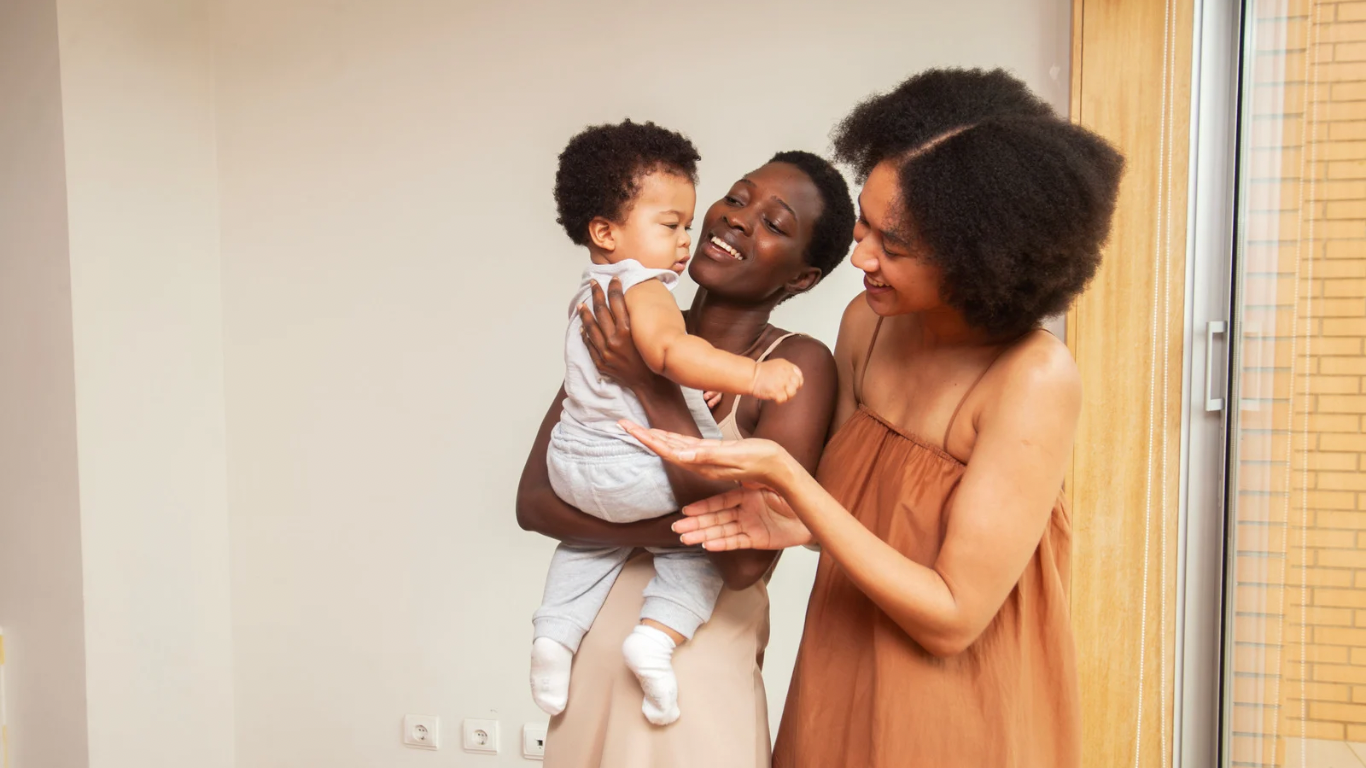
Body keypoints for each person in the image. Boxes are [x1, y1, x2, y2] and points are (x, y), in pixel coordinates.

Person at [628, 68, 1124, 768]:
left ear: (979, 257)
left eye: (895, 246)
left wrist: (788, 482)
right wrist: (796, 520)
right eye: (864, 223)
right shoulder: (868, 323)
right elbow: (862, 519)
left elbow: (952, 618)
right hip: (842, 659)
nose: (859, 256)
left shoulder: (1033, 378)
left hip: (959, 704)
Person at [517, 150, 854, 765]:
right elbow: (535, 503)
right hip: (591, 661)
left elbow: (746, 561)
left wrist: (652, 386)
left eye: (775, 225)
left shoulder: (795, 365)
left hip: (688, 669)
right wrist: (693, 532)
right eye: (737, 198)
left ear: (801, 279)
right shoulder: (626, 321)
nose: (738, 220)